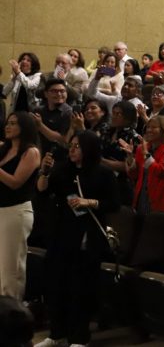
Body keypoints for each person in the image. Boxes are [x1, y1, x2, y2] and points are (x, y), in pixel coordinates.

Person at [34, 131, 119, 347]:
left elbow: (114, 204)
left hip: (86, 236)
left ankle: (79, 337)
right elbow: (42, 191)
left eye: (77, 146)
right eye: (71, 145)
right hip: (61, 232)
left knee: (80, 288)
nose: (72, 149)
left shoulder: (103, 173)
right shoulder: (63, 170)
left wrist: (89, 202)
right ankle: (57, 334)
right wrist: (44, 172)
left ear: (89, 149)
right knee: (56, 285)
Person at [0, 112, 40, 300]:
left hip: (15, 212)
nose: (8, 127)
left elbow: (15, 182)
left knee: (11, 266)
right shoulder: (4, 149)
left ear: (25, 127)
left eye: (13, 123)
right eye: (8, 123)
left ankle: (12, 310)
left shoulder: (31, 152)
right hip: (1, 209)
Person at [123, 115, 164, 214]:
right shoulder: (141, 148)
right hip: (142, 198)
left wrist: (146, 154)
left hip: (162, 199)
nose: (149, 130)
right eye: (148, 127)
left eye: (153, 127)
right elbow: (134, 176)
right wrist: (130, 158)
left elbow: (161, 172)